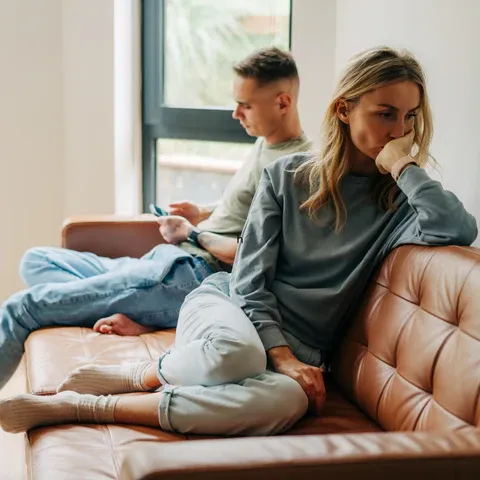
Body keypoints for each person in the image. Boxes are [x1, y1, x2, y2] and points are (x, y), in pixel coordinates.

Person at [1, 46, 477, 436]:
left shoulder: (398, 202)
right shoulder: (286, 176)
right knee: (240, 354)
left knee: (288, 402)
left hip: (300, 352)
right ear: (344, 109)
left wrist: (405, 167)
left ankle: (88, 405)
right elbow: (248, 282)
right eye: (386, 114)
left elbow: (457, 228)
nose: (400, 131)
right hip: (230, 306)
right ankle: (135, 376)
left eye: (411, 117)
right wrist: (281, 355)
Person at [0, 47, 311, 392]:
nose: (236, 114)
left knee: (21, 307)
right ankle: (136, 309)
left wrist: (191, 234)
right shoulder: (267, 143)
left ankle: (140, 306)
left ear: (283, 103)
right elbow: (245, 209)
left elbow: (251, 254)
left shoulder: (295, 168)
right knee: (36, 260)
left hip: (190, 275)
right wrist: (202, 212)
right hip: (167, 264)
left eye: (246, 105)